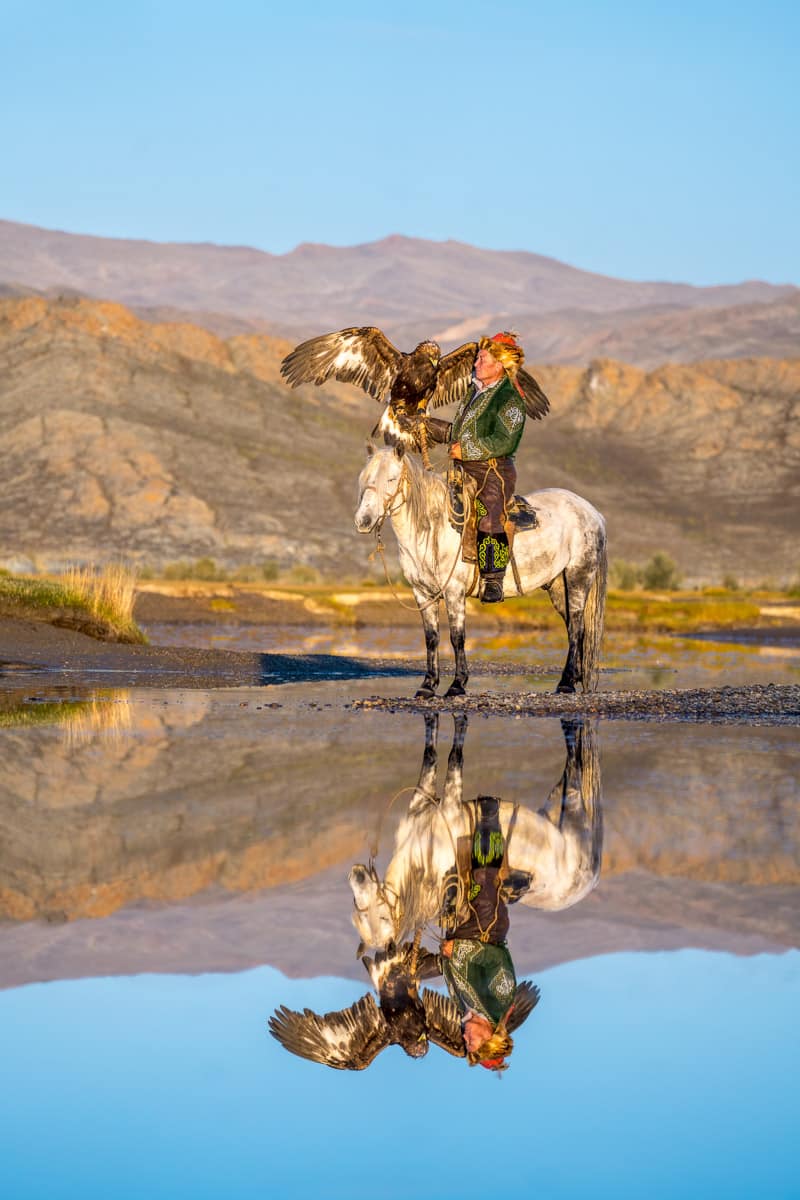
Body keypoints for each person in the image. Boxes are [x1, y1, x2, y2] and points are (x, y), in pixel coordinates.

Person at [427, 332, 528, 603]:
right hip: (465, 469)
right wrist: (425, 426)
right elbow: (456, 433)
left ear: (499, 365)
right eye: (478, 359)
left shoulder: (510, 398)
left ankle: (493, 578)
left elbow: (504, 441)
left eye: (482, 359)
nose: (476, 364)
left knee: (489, 510)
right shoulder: (475, 392)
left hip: (494, 471)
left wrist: (467, 450)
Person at [440, 796, 517, 1071]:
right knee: (483, 880)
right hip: (486, 925)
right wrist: (459, 949)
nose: (465, 1038)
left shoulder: (464, 1010)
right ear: (487, 1038)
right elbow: (496, 960)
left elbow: (449, 966)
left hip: (456, 931)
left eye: (466, 1043)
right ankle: (489, 815)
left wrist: (412, 969)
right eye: (471, 1043)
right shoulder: (501, 1000)